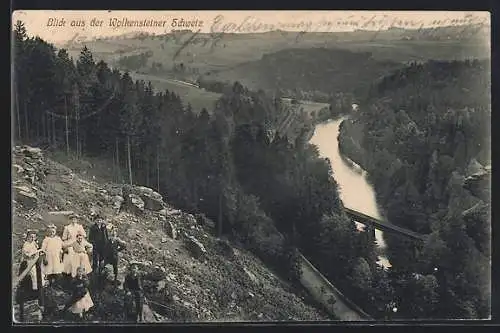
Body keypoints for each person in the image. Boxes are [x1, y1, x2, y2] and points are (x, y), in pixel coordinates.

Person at [16, 230, 45, 322]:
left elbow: (36, 253)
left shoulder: (34, 244)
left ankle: (36, 296)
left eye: (34, 237)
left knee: (37, 279)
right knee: (28, 279)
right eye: (30, 237)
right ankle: (24, 299)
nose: (32, 238)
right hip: (27, 264)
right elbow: (27, 255)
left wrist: (39, 252)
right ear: (27, 237)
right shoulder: (26, 245)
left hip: (34, 264)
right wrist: (34, 254)